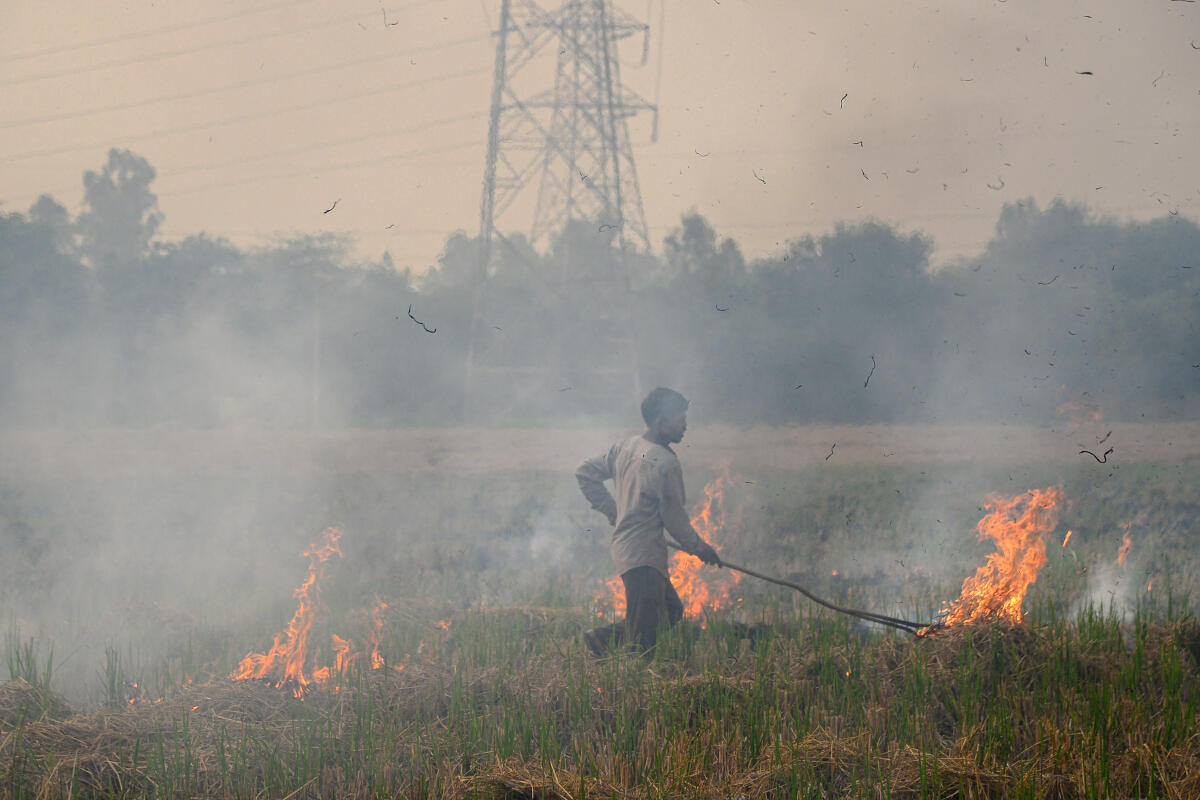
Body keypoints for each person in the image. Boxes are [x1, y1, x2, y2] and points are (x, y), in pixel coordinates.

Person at [576, 387, 721, 657]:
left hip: (631, 552)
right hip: (643, 557)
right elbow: (675, 520)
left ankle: (603, 640)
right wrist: (701, 548)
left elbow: (585, 473)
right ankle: (610, 653)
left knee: (671, 612)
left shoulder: (626, 446)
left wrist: (613, 512)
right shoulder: (665, 463)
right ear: (660, 422)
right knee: (644, 642)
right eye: (679, 419)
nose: (685, 426)